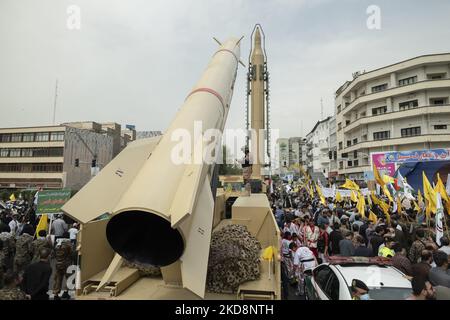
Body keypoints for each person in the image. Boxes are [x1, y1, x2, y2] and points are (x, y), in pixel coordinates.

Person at [53, 232, 73, 299]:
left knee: (58, 279)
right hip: (67, 263)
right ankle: (65, 292)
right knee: (68, 278)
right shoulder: (68, 244)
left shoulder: (57, 244)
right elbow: (71, 253)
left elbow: (54, 254)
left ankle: (56, 294)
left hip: (58, 263)